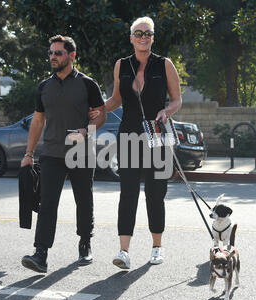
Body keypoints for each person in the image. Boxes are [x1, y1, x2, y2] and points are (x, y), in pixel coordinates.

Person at [92, 17, 182, 269]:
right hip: (129, 135)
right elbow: (115, 100)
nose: (144, 37)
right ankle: (123, 251)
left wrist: (167, 111)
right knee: (128, 193)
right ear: (131, 37)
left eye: (148, 33)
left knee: (155, 194)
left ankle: (156, 247)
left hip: (157, 135)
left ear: (153, 38)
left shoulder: (165, 64)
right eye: (139, 33)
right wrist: (94, 109)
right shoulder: (122, 65)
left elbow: (177, 100)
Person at [21, 35, 106, 273]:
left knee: (83, 199)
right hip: (51, 153)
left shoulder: (88, 84)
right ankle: (41, 254)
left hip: (80, 151)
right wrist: (29, 153)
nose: (53, 57)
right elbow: (38, 121)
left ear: (72, 55)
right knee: (47, 203)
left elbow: (101, 114)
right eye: (50, 53)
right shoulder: (44, 87)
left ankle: (85, 243)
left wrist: (86, 131)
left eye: (58, 52)